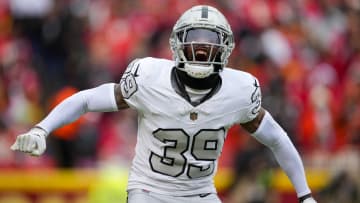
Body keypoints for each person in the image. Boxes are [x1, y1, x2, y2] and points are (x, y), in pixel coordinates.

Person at [11, 5, 317, 203]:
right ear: (177, 44)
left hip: (200, 193)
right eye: (194, 41)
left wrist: (305, 196)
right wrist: (42, 128)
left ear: (225, 49)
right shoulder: (149, 78)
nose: (201, 50)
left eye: (209, 43)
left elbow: (277, 139)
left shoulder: (239, 90)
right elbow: (88, 99)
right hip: (150, 193)